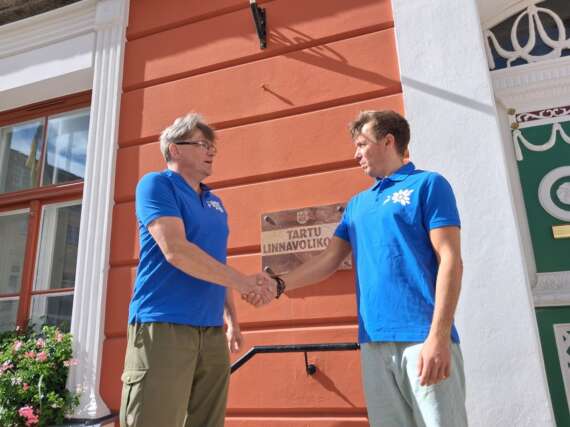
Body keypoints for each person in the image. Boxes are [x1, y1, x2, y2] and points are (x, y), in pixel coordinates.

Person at [246, 110, 468, 427]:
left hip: (423, 337)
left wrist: (439, 337)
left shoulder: (428, 184)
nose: (356, 154)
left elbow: (451, 259)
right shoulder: (357, 205)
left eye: (362, 144)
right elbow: (329, 259)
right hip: (373, 343)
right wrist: (278, 284)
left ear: (388, 141)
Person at [120, 113, 275, 427]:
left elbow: (216, 264)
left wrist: (231, 320)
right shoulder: (156, 184)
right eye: (203, 144)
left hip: (211, 330)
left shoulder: (215, 202)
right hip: (163, 324)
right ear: (175, 149)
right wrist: (244, 283)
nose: (211, 151)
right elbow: (176, 250)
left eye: (213, 146)